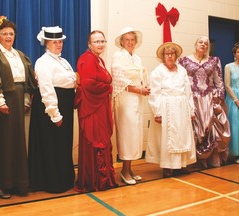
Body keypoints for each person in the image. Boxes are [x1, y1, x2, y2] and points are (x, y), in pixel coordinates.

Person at [0, 16, 36, 199]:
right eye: (4, 34)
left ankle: (16, 183)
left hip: (18, 100)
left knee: (17, 141)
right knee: (2, 142)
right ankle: (0, 185)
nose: (8, 37)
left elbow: (27, 80)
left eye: (11, 34)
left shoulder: (20, 55)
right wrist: (0, 100)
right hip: (1, 101)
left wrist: (26, 98)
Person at [28, 26, 77, 193]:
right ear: (46, 43)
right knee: (52, 144)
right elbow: (47, 88)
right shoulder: (43, 62)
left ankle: (64, 178)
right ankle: (53, 182)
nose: (58, 44)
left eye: (60, 41)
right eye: (54, 42)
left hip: (65, 104)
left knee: (63, 144)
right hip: (53, 108)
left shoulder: (63, 61)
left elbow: (72, 82)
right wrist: (54, 114)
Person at [73, 30, 118, 192]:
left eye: (102, 41)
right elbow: (88, 84)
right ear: (89, 44)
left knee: (103, 139)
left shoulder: (99, 60)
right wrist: (109, 87)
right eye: (96, 41)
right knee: (95, 140)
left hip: (101, 106)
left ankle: (103, 178)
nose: (100, 44)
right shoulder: (86, 59)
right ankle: (95, 180)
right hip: (92, 108)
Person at [178, 36, 230, 168]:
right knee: (194, 128)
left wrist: (220, 97)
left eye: (206, 44)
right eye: (201, 42)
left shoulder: (214, 61)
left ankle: (211, 159)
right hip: (192, 99)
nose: (203, 45)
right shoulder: (184, 60)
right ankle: (193, 161)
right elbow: (179, 80)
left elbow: (219, 81)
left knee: (210, 127)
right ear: (195, 44)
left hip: (209, 98)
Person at [147, 42, 196, 177]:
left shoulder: (182, 70)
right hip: (166, 106)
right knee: (167, 137)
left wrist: (191, 110)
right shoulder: (158, 71)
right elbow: (154, 92)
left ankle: (181, 164)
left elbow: (188, 91)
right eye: (167, 54)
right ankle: (168, 166)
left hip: (181, 107)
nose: (169, 56)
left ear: (176, 56)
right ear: (163, 56)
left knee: (181, 135)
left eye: (172, 53)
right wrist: (157, 112)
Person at [111, 27, 150, 185]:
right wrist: (139, 89)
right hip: (125, 100)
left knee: (135, 133)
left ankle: (130, 168)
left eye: (132, 40)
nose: (130, 42)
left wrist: (144, 88)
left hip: (137, 99)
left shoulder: (137, 58)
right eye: (126, 39)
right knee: (127, 134)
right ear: (121, 41)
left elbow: (140, 78)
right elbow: (118, 81)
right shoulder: (118, 57)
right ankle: (124, 171)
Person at [224, 42, 239, 164]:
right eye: (238, 51)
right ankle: (236, 154)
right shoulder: (229, 66)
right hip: (233, 98)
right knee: (235, 126)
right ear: (234, 53)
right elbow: (227, 85)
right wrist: (236, 100)